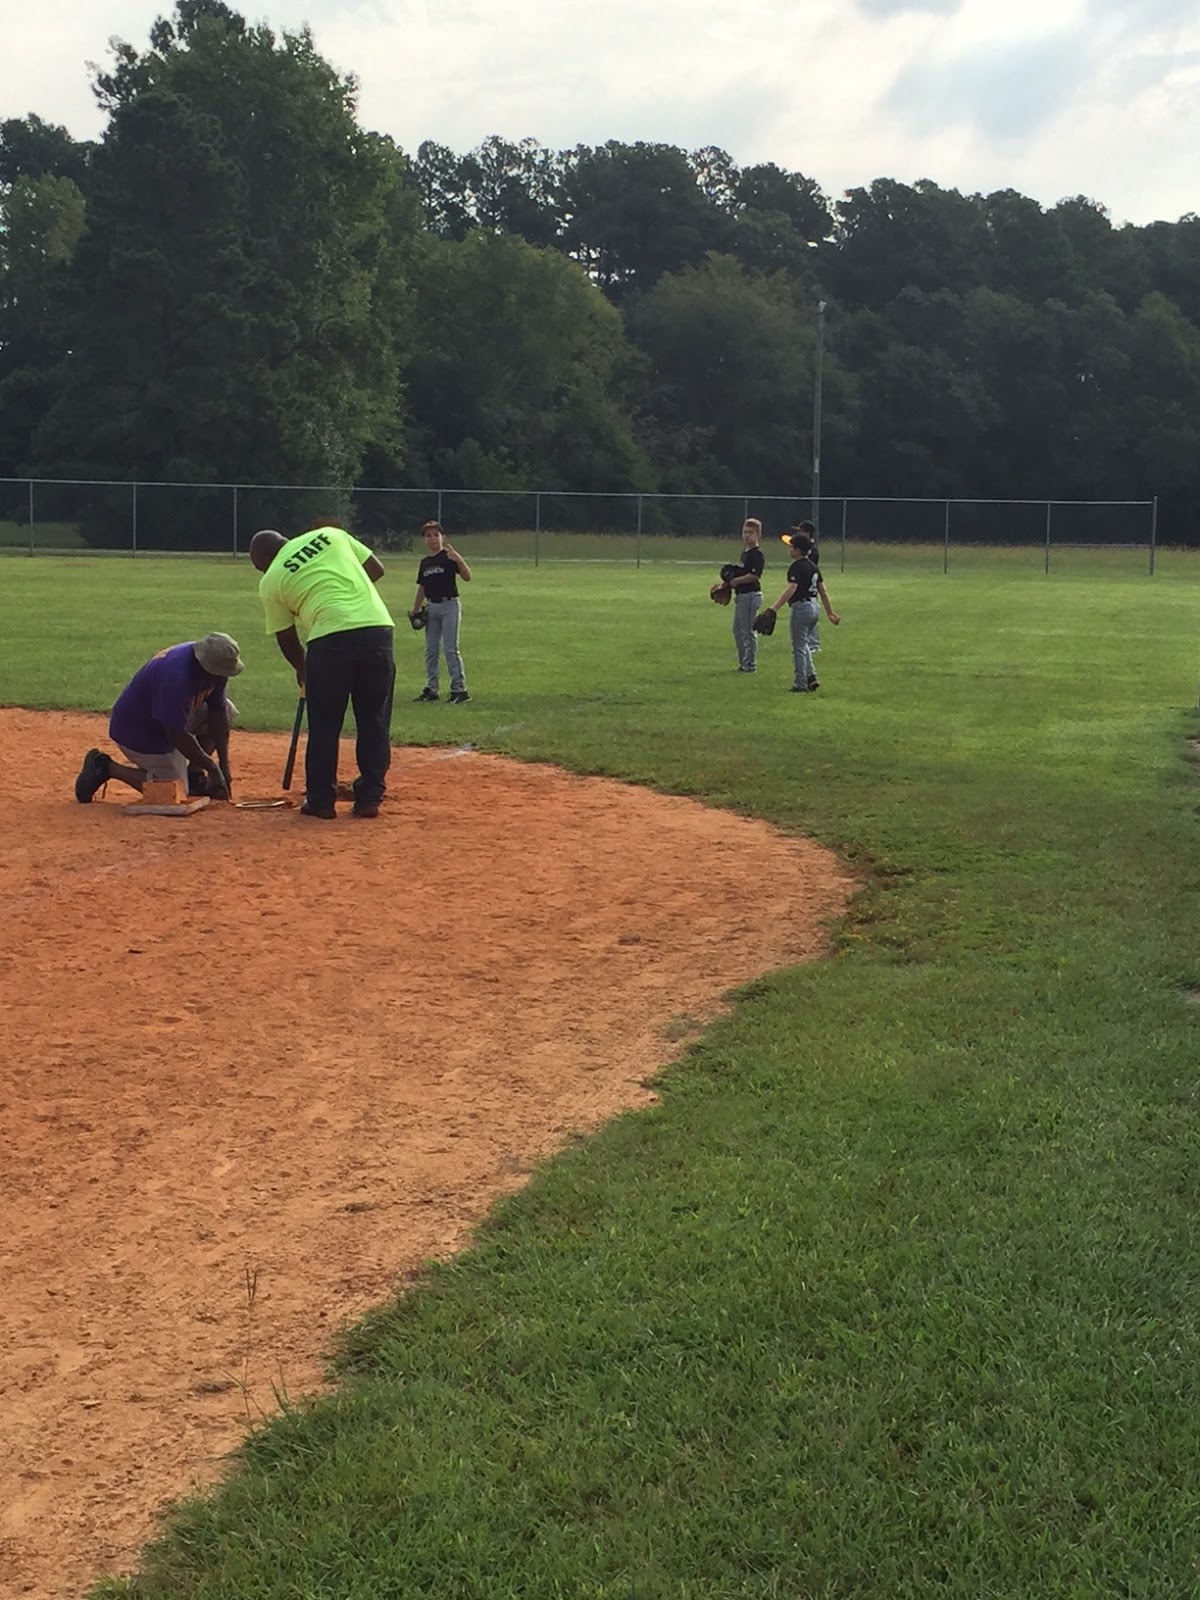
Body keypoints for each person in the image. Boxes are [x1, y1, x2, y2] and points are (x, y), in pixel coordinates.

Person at [249, 525, 395, 820]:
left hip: (328, 640)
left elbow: (285, 636)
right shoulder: (331, 534)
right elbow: (376, 569)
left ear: (263, 560)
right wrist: (351, 600)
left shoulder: (272, 579)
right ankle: (369, 798)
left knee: (325, 723)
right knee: (374, 718)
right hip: (377, 628)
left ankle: (321, 800)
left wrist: (303, 670)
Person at [74, 634, 241, 802]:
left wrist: (224, 767)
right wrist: (212, 768)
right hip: (138, 732)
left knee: (227, 710)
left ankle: (194, 774)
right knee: (175, 791)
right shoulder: (176, 677)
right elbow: (176, 734)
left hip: (166, 720)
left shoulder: (212, 667)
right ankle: (105, 767)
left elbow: (217, 714)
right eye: (220, 673)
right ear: (207, 665)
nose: (223, 677)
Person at [760, 533, 840, 693]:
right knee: (804, 644)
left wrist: (774, 608)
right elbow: (822, 591)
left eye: (791, 547)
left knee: (798, 647)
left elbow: (792, 588)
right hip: (814, 607)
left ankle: (800, 683)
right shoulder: (813, 566)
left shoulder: (797, 567)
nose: (788, 549)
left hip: (801, 608)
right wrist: (830, 613)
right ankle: (811, 677)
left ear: (797, 551)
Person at [411, 521, 472, 703]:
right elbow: (422, 587)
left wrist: (459, 559)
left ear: (442, 538)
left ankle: (460, 690)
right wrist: (415, 609)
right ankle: (432, 689)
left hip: (449, 606)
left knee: (451, 649)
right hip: (432, 608)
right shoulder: (425, 563)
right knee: (431, 650)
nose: (432, 539)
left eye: (435, 535)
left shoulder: (448, 557)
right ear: (424, 539)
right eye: (428, 535)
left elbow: (468, 577)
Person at [723, 518, 766, 671]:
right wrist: (727, 582)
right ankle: (743, 662)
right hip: (741, 595)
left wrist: (736, 581)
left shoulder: (757, 554)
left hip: (750, 594)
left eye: (751, 533)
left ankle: (750, 664)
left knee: (748, 631)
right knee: (737, 630)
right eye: (745, 532)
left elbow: (754, 575)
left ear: (758, 534)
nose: (747, 536)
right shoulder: (745, 553)